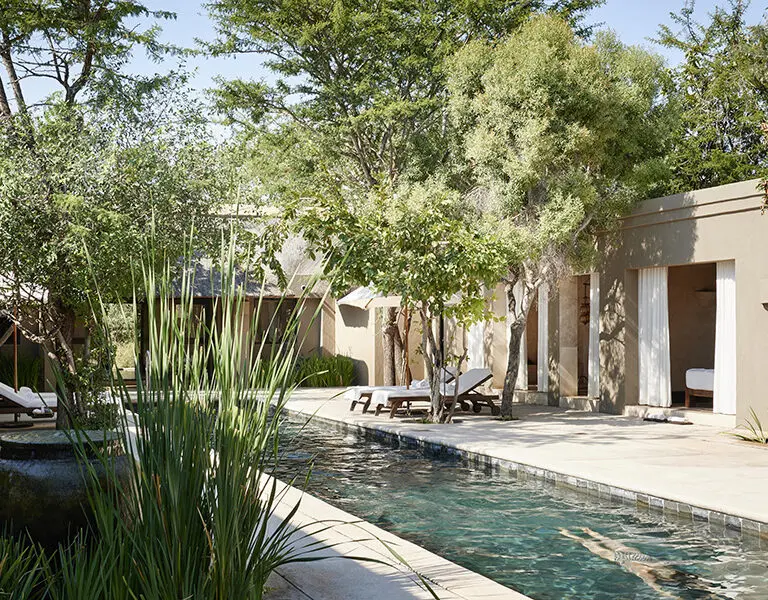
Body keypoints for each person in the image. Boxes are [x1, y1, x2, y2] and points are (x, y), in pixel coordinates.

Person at [559, 527, 727, 599]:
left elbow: (659, 585)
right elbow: (656, 587)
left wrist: (669, 594)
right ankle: (575, 534)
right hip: (627, 559)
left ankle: (585, 533)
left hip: (633, 558)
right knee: (599, 546)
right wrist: (670, 595)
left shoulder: (657, 569)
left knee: (607, 544)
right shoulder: (654, 571)